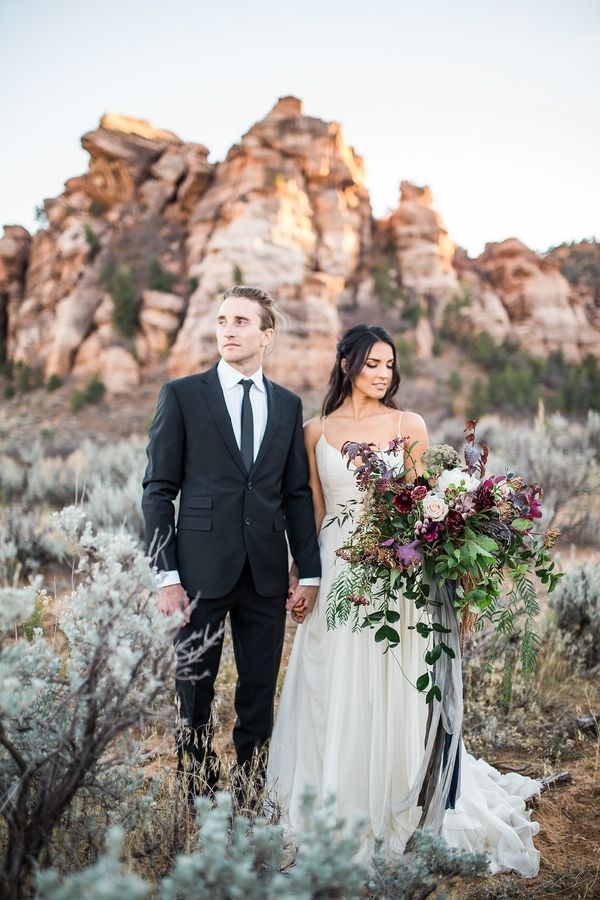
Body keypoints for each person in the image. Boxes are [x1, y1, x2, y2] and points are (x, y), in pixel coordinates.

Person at [267, 324, 541, 876]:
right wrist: (305, 576)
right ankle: (330, 802)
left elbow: (420, 507)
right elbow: (314, 513)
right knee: (329, 680)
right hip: (338, 567)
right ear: (346, 364)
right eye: (372, 363)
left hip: (395, 569)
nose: (382, 373)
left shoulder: (407, 424)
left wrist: (442, 567)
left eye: (389, 364)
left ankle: (399, 798)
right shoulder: (314, 430)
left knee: (394, 679)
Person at [142, 285, 320, 807]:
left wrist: (307, 572)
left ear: (267, 335)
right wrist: (166, 575)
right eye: (222, 321)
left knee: (259, 690)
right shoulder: (182, 395)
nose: (228, 330)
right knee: (193, 687)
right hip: (197, 573)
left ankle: (249, 789)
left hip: (265, 573)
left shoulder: (287, 405)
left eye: (241, 322)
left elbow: (294, 494)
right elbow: (158, 491)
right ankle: (197, 791)